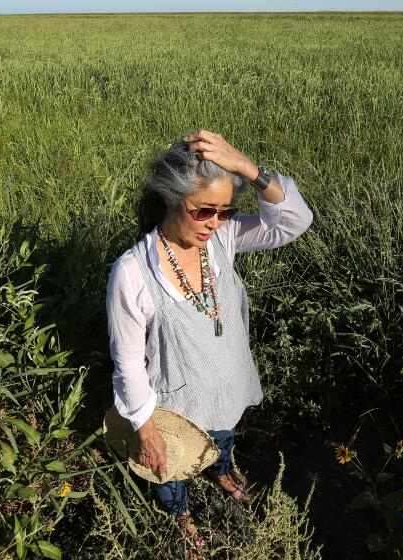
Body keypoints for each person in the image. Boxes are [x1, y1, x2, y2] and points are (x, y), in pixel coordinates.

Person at [105, 129, 313, 557]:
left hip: (224, 385)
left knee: (222, 438)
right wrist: (145, 430)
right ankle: (180, 515)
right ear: (170, 200)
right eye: (204, 212)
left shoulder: (222, 238)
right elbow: (127, 363)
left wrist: (248, 169)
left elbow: (294, 222)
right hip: (175, 406)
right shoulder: (132, 273)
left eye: (225, 211)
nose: (216, 223)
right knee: (171, 468)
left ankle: (221, 473)